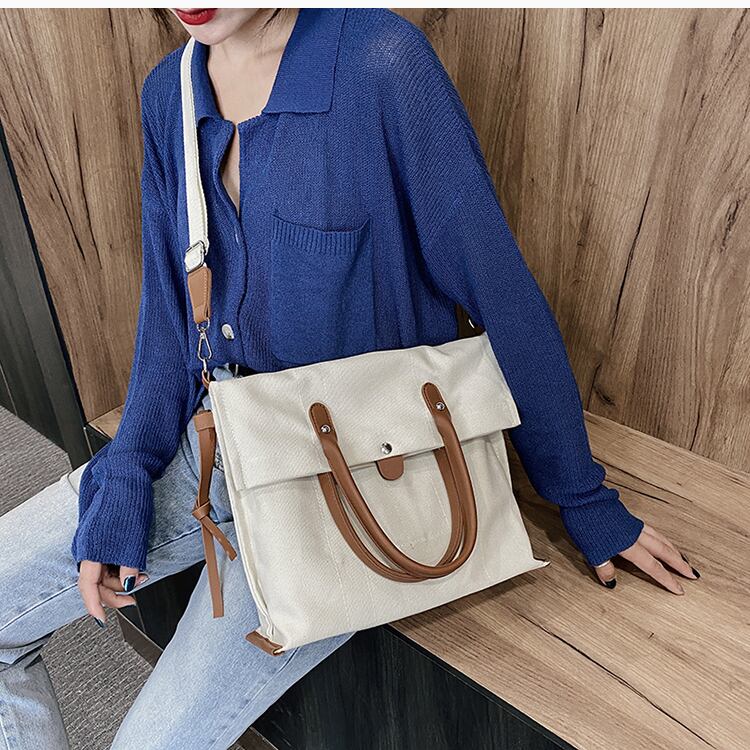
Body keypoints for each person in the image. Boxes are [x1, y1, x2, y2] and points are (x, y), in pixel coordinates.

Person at [0, 8, 700, 750]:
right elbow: (170, 315)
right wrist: (126, 473)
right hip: (212, 446)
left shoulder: (379, 63)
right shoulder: (168, 93)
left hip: (354, 488)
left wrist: (584, 499)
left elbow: (499, 291)